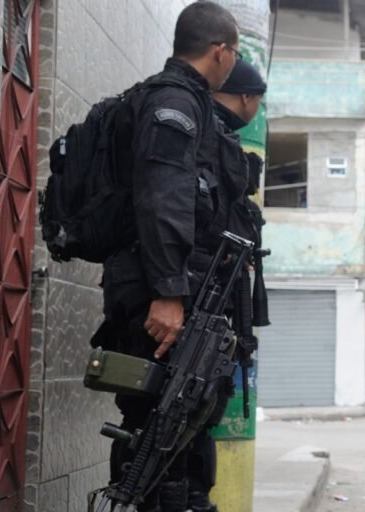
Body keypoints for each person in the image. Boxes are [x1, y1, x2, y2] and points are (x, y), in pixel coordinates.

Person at [89, 3, 244, 510]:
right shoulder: (173, 102)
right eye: (232, 54)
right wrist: (169, 293)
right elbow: (163, 196)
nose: (231, 63)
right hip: (159, 294)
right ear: (220, 51)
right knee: (159, 435)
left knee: (178, 431)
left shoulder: (179, 100)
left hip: (167, 289)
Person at [186, 57, 267, 512]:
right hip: (184, 311)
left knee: (190, 438)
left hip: (197, 312)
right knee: (170, 445)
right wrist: (168, 296)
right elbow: (169, 213)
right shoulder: (200, 133)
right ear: (247, 99)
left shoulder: (214, 137)